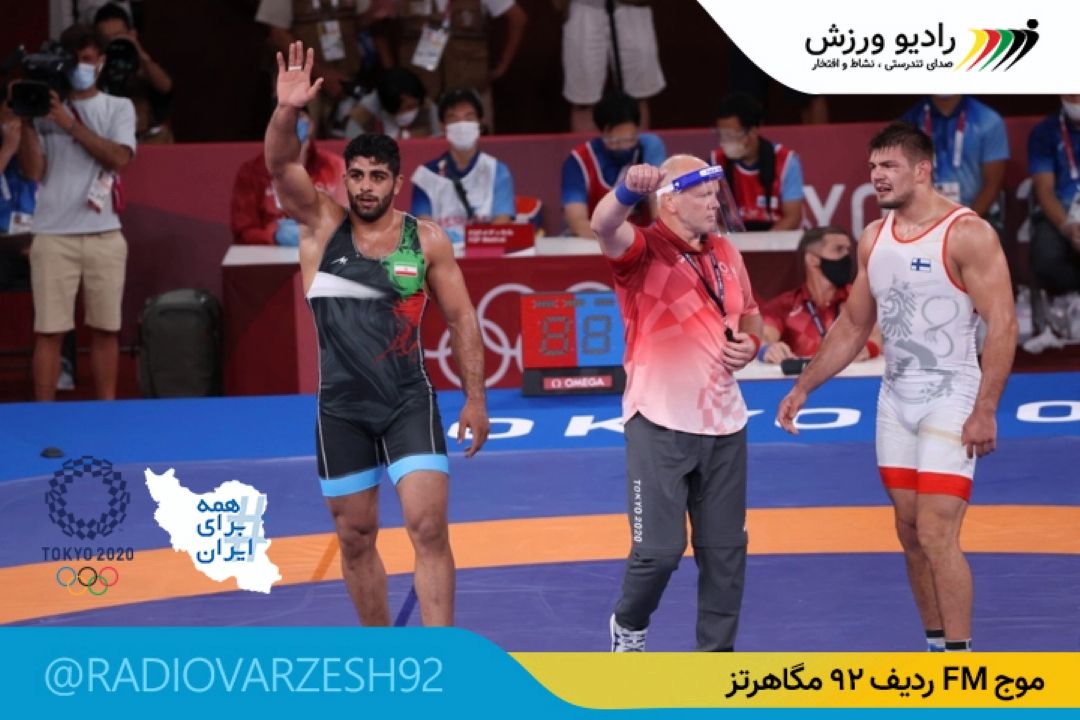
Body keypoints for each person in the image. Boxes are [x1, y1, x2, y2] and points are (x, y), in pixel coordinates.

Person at [266, 42, 490, 625]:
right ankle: (378, 652)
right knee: (355, 534)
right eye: (357, 176)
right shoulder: (320, 226)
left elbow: (463, 318)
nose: (366, 187)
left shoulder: (427, 240)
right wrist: (286, 111)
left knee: (428, 527)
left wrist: (475, 397)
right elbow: (281, 166)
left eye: (378, 177)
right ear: (344, 178)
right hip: (341, 407)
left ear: (396, 182)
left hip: (407, 400)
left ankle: (443, 658)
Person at [777, 122, 1017, 652]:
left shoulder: (967, 233)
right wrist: (805, 386)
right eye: (872, 167)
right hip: (896, 398)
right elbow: (852, 325)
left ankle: (960, 661)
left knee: (935, 532)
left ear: (922, 169)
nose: (877, 176)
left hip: (951, 395)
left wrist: (986, 408)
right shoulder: (874, 238)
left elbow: (1002, 323)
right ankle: (935, 648)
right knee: (909, 533)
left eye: (889, 166)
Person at [591, 154, 762, 651]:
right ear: (669, 201)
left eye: (715, 195)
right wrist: (628, 189)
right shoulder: (641, 250)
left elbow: (751, 313)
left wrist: (752, 344)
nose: (714, 204)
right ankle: (629, 623)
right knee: (658, 553)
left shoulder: (726, 251)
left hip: (725, 422)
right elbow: (603, 224)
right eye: (702, 196)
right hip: (660, 420)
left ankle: (715, 662)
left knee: (726, 553)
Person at [17, 24, 136, 402]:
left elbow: (118, 158)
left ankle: (107, 410)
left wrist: (69, 124)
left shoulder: (118, 107)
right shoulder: (43, 110)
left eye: (87, 59)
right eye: (75, 60)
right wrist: (26, 122)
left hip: (104, 233)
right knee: (49, 331)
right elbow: (33, 172)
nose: (81, 67)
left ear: (100, 62)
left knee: (105, 328)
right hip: (53, 234)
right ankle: (43, 413)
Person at [395, 0, 527, 132]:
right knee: (421, 140)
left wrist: (502, 64)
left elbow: (518, 18)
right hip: (422, 88)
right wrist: (393, 74)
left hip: (472, 87)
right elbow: (383, 21)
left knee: (475, 139)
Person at [759, 226, 882, 365]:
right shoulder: (785, 305)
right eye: (838, 249)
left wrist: (867, 349)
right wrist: (768, 349)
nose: (847, 256)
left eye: (848, 250)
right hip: (802, 377)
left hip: (850, 377)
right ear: (812, 259)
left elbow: (876, 337)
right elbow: (764, 337)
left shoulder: (859, 298)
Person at [410, 88, 515, 247]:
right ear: (443, 127)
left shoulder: (497, 171)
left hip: (485, 254)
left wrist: (473, 244)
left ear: (480, 123)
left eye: (469, 118)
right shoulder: (425, 176)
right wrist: (456, 242)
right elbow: (423, 227)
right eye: (454, 119)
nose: (462, 125)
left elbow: (502, 222)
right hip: (441, 255)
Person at [232, 105, 345, 245]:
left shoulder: (336, 168)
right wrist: (274, 236)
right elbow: (243, 231)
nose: (292, 122)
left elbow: (356, 223)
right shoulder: (251, 173)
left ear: (310, 125)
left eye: (298, 116)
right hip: (269, 255)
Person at [560, 90, 665, 239]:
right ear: (602, 132)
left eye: (629, 140)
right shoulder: (578, 161)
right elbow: (578, 224)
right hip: (594, 241)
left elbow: (659, 206)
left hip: (640, 241)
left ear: (638, 130)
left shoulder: (649, 146)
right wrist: (619, 241)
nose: (624, 147)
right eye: (615, 141)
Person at [899, 95, 1009, 231]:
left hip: (977, 217)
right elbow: (903, 182)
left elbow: (993, 184)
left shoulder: (988, 120)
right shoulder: (908, 123)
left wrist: (964, 223)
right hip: (923, 221)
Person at [256, 0, 366, 135]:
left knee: (354, 139)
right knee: (300, 138)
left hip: (347, 79)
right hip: (299, 81)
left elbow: (364, 19)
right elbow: (278, 35)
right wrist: (323, 75)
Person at [1023, 94, 1080, 352]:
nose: (1076, 99)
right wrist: (1068, 226)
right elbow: (1044, 190)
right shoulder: (1046, 132)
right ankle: (1069, 302)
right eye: (1071, 94)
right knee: (1045, 252)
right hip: (1062, 214)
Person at [555, 0, 665, 133]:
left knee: (638, 94)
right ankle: (588, 147)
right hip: (583, 7)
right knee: (583, 98)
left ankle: (636, 145)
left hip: (632, 6)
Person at [709, 93, 804, 231]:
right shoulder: (714, 162)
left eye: (731, 136)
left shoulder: (787, 162)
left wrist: (763, 242)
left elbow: (792, 218)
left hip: (775, 237)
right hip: (732, 239)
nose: (724, 142)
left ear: (753, 132)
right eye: (721, 135)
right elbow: (710, 218)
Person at [94, 2, 175, 143]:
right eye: (106, 38)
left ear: (132, 33)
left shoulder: (144, 65)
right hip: (109, 142)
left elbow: (165, 87)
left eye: (118, 35)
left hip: (147, 140)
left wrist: (138, 52)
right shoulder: (95, 66)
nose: (113, 41)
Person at [343, 67, 440, 139]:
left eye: (414, 106)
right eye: (407, 107)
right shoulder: (362, 116)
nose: (411, 112)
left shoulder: (427, 107)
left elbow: (438, 137)